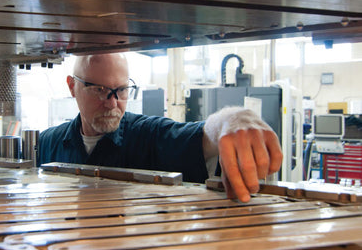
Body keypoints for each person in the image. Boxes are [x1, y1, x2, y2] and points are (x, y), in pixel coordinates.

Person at [39, 53, 283, 202]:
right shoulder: (47, 143)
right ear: (72, 87)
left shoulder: (148, 136)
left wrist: (234, 118)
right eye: (99, 90)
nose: (113, 102)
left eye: (121, 90)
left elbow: (200, 135)